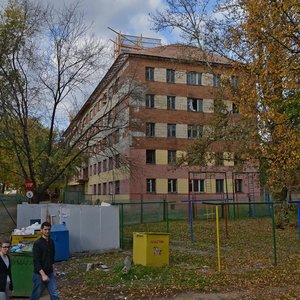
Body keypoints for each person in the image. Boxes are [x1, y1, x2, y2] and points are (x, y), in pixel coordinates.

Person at [29, 222, 59, 300]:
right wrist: (43, 275)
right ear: (41, 230)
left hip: (50, 273)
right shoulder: (37, 243)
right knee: (36, 295)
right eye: (45, 229)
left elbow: (52, 258)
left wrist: (54, 270)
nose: (47, 231)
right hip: (38, 274)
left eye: (49, 229)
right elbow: (36, 261)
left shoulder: (51, 242)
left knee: (54, 294)